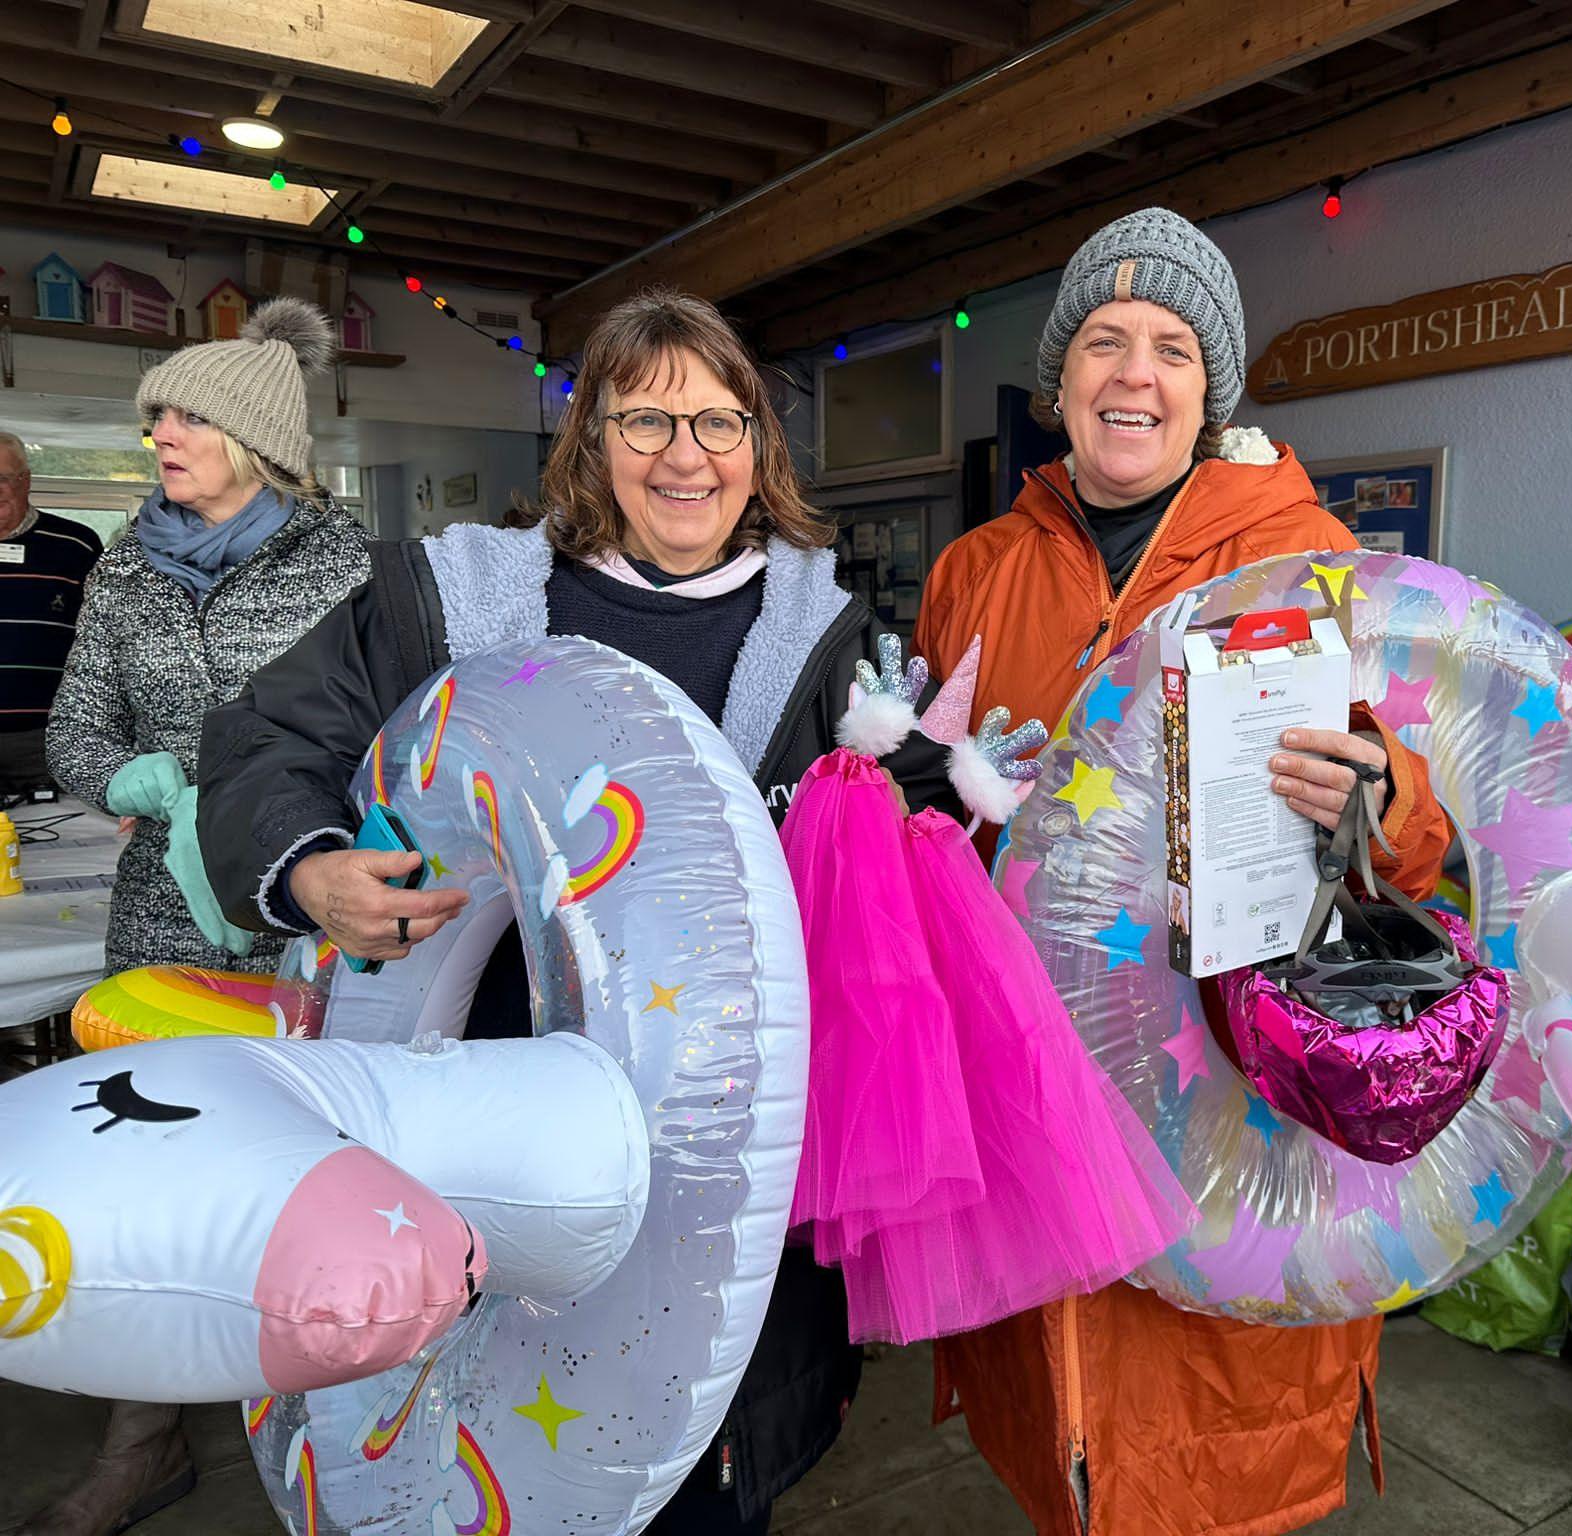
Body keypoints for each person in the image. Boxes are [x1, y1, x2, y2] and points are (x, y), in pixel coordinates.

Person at [199, 288, 952, 1536]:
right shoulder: (447, 600)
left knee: (698, 1492)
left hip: (719, 1181)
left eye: (718, 424)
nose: (684, 458)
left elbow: (909, 844)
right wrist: (313, 866)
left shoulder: (829, 647)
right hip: (473, 1141)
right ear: (590, 439)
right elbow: (267, 739)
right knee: (466, 1459)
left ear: (759, 448)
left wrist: (969, 804)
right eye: (646, 420)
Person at [911, 207, 1454, 1536]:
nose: (1133, 374)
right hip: (1025, 1098)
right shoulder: (974, 570)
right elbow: (930, 805)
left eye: (1170, 347)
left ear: (1212, 390)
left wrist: (1378, 799)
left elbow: (1422, 831)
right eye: (1103, 339)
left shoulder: (1314, 562)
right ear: (1061, 380)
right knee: (1059, 1442)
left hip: (1223, 1100)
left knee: (1212, 1448)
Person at [30, 301, 371, 1536]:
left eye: (185, 413)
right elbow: (75, 725)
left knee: (304, 1167)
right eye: (154, 416)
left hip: (305, 915)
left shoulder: (352, 566)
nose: (161, 433)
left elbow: (403, 736)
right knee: (154, 1166)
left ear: (255, 434)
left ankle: (336, 1435)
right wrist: (130, 776)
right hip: (161, 918)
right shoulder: (125, 564)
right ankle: (144, 1443)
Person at [0, 430, 102, 787]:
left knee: (65, 837)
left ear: (25, 481)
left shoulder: (76, 545)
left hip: (45, 739)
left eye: (2, 479)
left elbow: (102, 641)